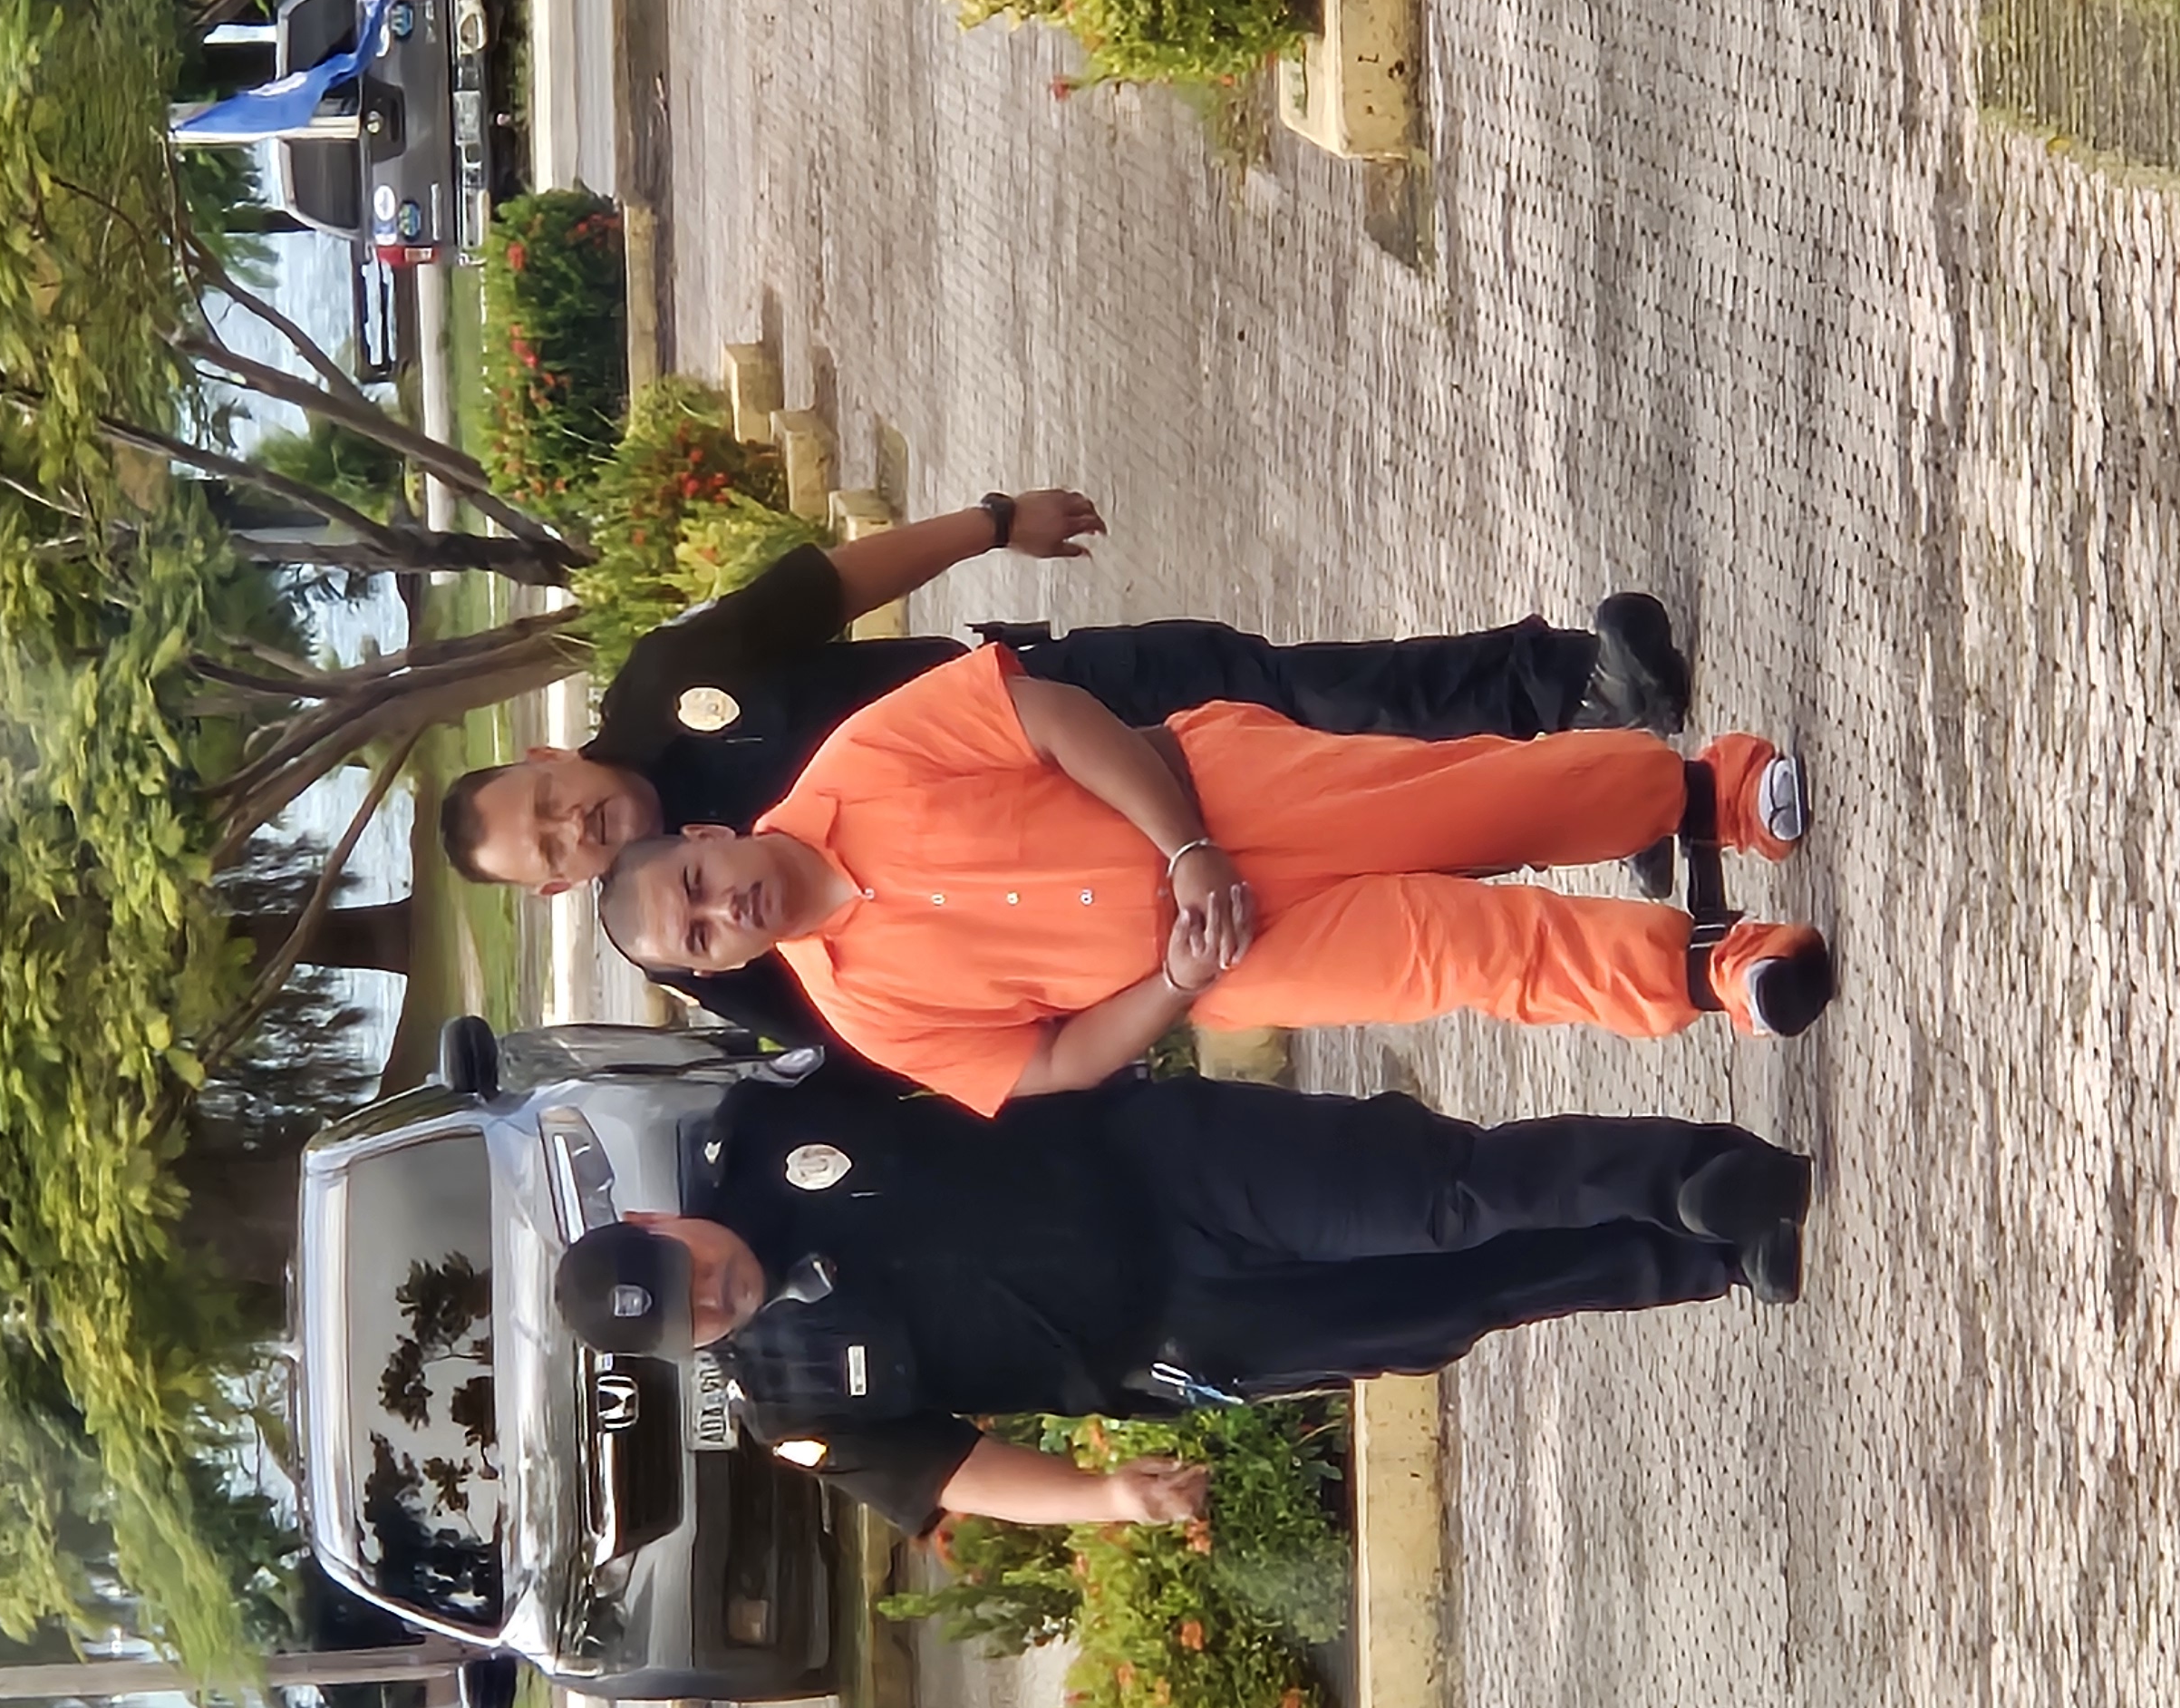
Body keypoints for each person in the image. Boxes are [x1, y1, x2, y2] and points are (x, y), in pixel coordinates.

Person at [443, 490, 1691, 1042]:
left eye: (548, 803)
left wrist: (992, 524)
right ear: (554, 888)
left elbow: (823, 587)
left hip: (1058, 712)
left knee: (1308, 697)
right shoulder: (695, 939)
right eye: (549, 850)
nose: (574, 828)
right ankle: (1593, 802)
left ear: (550, 756)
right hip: (1117, 915)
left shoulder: (665, 686)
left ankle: (1569, 685)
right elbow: (879, 1033)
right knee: (1393, 898)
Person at [549, 1065, 1814, 1532]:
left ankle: (1695, 1175)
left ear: (657, 1223)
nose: (710, 1294)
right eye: (689, 1319)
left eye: (684, 1269)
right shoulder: (786, 1408)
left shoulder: (764, 1126)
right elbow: (954, 1472)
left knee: (1437, 1195)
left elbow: (931, 1037)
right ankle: (1700, 1261)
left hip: (1160, 1163)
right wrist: (1106, 1497)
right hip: (1176, 1338)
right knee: (1453, 1302)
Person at [597, 640, 1833, 1115]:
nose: (720, 910)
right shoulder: (862, 1010)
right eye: (699, 936)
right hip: (1233, 958)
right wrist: (1178, 982)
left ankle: (1704, 795)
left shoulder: (857, 760)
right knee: (1466, 951)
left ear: (704, 832)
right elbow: (1052, 1063)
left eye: (695, 881)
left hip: (1220, 797)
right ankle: (1715, 974)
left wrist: (1186, 847)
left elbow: (1050, 716)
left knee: (1478, 799)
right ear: (717, 967)